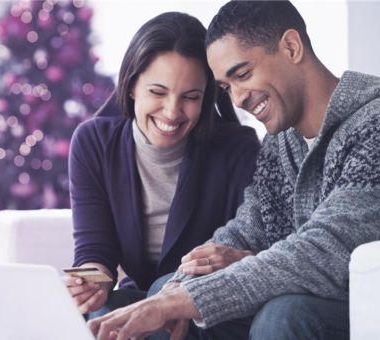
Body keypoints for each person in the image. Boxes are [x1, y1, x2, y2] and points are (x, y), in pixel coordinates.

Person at [88, 1, 380, 339]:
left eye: (242, 74)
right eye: (226, 87)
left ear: (291, 47)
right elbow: (249, 228)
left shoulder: (372, 124)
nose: (238, 99)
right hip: (307, 293)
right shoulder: (283, 140)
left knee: (283, 316)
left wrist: (186, 299)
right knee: (163, 289)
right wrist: (179, 288)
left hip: (359, 302)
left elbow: (327, 250)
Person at [66, 11, 260, 320]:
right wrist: (90, 283)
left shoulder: (238, 149)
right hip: (141, 299)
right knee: (94, 311)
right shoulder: (94, 143)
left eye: (191, 97)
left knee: (157, 291)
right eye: (157, 92)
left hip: (208, 308)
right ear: (131, 86)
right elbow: (95, 251)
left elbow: (255, 247)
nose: (172, 112)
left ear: (207, 96)